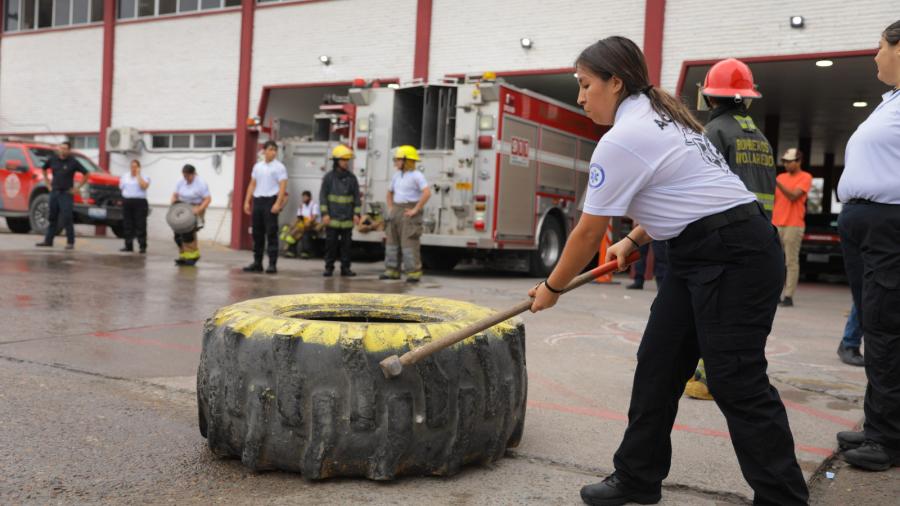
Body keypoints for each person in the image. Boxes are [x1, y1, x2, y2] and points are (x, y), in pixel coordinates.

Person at [528, 36, 808, 505]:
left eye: (585, 84)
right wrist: (636, 237)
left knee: (735, 379)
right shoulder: (662, 118)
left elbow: (584, 232)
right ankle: (637, 476)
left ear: (615, 82)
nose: (580, 97)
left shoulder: (625, 136)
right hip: (697, 250)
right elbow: (684, 193)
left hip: (735, 255)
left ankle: (782, 498)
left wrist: (552, 287)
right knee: (658, 365)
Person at [834, 20, 900, 473]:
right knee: (878, 327)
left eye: (879, 47)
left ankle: (888, 438)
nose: (874, 56)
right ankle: (879, 423)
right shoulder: (890, 102)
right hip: (867, 225)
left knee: (885, 329)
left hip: (888, 226)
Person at [700, 58, 777, 217]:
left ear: (710, 97)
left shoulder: (712, 132)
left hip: (726, 231)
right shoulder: (760, 137)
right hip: (761, 229)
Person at [380, 145, 431, 283]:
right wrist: (391, 208)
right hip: (396, 210)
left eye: (397, 159)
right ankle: (392, 270)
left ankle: (413, 272)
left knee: (409, 243)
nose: (395, 162)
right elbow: (389, 192)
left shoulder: (417, 175)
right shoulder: (397, 175)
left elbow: (427, 193)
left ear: (406, 160)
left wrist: (416, 209)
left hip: (409, 211)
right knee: (392, 241)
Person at [773, 148, 813, 307]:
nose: (786, 164)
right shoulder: (781, 176)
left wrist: (776, 182)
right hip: (777, 222)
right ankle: (775, 294)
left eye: (790, 161)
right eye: (784, 161)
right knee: (776, 260)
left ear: (799, 161)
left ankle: (788, 296)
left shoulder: (805, 177)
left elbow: (793, 196)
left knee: (791, 261)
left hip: (794, 224)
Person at [243, 141, 288, 274]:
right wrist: (247, 201)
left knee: (271, 233)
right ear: (264, 151)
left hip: (271, 201)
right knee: (257, 234)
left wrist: (278, 203)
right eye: (270, 149)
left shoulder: (280, 167)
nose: (273, 152)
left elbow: (283, 186)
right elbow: (252, 184)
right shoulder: (258, 166)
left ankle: (272, 264)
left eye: (275, 150)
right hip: (258, 200)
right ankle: (257, 263)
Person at [35, 141, 87, 250]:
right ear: (59, 149)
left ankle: (70, 242)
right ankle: (48, 241)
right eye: (61, 148)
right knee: (52, 217)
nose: (63, 150)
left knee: (67, 217)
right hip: (54, 192)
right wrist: (48, 184)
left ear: (69, 150)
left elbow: (86, 174)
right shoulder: (53, 159)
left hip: (66, 193)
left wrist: (77, 188)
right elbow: (44, 169)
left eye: (65, 148)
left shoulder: (73, 162)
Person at [319, 145, 361, 277]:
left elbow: (356, 197)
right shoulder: (329, 178)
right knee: (330, 245)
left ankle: (345, 268)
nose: (346, 163)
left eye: (347, 160)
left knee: (346, 246)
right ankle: (329, 268)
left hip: (347, 219)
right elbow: (323, 197)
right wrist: (325, 214)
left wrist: (356, 214)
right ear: (336, 161)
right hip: (332, 219)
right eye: (343, 160)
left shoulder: (352, 178)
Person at [171, 164, 210, 266]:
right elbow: (175, 195)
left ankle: (193, 256)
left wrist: (199, 209)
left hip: (196, 207)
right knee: (178, 233)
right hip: (182, 206)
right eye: (184, 176)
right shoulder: (180, 181)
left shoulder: (201, 183)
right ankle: (183, 256)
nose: (186, 178)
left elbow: (207, 199)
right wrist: (173, 204)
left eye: (188, 176)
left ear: (193, 174)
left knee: (188, 231)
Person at [118, 160, 150, 253]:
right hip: (127, 201)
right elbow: (121, 188)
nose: (133, 169)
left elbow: (144, 186)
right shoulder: (125, 176)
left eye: (135, 167)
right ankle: (128, 245)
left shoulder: (145, 177)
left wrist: (138, 175)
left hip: (140, 202)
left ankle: (142, 246)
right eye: (132, 167)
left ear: (139, 167)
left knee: (140, 224)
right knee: (127, 224)